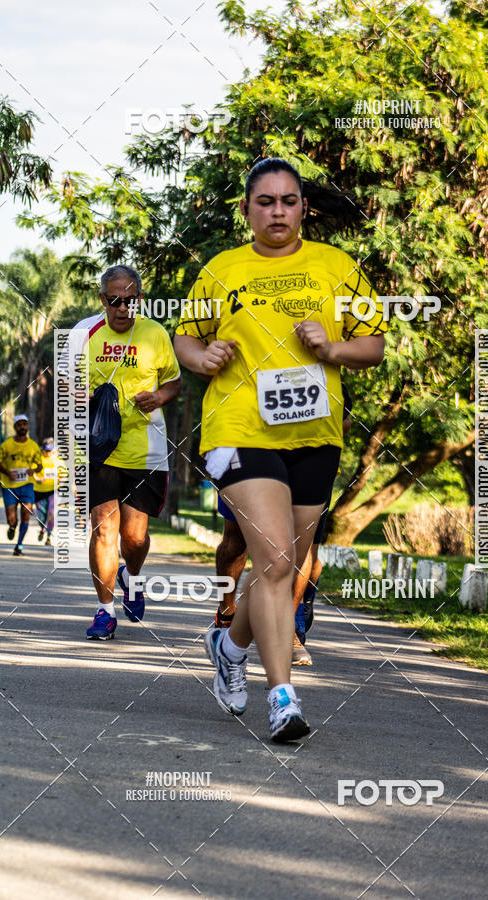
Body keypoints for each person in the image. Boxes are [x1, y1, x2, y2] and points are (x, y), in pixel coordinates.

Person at [174, 158, 385, 742]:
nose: (277, 211)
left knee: (283, 567)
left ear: (303, 208)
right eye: (264, 201)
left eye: (288, 201)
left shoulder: (337, 268)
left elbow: (374, 345)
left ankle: (228, 643)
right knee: (271, 562)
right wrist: (201, 358)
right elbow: (185, 335)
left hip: (315, 433)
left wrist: (332, 350)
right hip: (238, 430)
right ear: (246, 210)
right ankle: (283, 699)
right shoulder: (221, 270)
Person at [68, 265, 181, 640]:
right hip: (98, 449)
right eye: (114, 300)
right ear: (103, 299)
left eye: (129, 300)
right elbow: (67, 385)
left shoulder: (155, 334)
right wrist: (81, 399)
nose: (121, 307)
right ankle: (104, 610)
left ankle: (131, 577)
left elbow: (174, 380)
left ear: (140, 300)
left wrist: (160, 396)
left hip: (145, 450)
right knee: (104, 528)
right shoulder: (84, 333)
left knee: (134, 538)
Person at [212, 384, 354, 667]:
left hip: (309, 462)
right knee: (236, 543)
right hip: (249, 450)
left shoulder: (322, 354)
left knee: (297, 552)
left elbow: (345, 418)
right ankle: (227, 613)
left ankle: (287, 629)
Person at [0, 414, 42, 556]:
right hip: (9, 485)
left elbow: (39, 466)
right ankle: (12, 527)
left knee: (26, 512)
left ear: (27, 426)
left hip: (27, 485)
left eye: (24, 424)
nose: (22, 427)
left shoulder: (33, 446)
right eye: (19, 424)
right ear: (15, 427)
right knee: (12, 518)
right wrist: (7, 473)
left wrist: (34, 470)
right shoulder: (7, 445)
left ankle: (19, 545)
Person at [34, 437, 56, 545]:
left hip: (53, 491)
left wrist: (63, 479)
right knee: (41, 515)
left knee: (51, 513)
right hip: (39, 491)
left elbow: (64, 474)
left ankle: (49, 535)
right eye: (46, 450)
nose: (47, 452)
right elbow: (31, 472)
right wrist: (37, 479)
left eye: (50, 450)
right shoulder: (38, 459)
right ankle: (42, 528)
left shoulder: (58, 460)